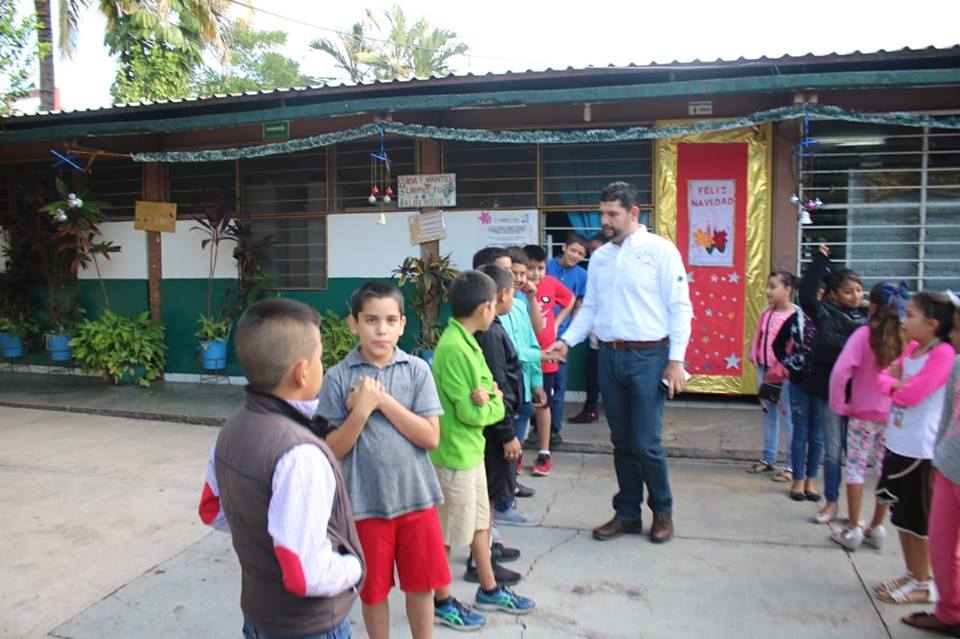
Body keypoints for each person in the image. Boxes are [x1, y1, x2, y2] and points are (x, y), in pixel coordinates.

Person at [197, 298, 364, 639]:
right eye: (320, 357)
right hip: (308, 627)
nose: (323, 364)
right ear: (302, 372)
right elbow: (305, 573)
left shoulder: (233, 426)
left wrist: (262, 538)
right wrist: (355, 566)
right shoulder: (301, 454)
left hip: (258, 615)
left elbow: (211, 510)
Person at [545, 181, 693, 544]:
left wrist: (676, 361)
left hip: (650, 357)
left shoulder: (660, 251)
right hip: (609, 356)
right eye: (602, 213)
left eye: (612, 214)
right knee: (622, 441)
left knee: (647, 442)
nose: (605, 221)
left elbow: (680, 307)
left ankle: (662, 511)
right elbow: (590, 307)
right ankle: (627, 514)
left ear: (633, 213)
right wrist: (565, 342)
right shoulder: (602, 258)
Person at [316, 281, 450, 639]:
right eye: (372, 320)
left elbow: (430, 437)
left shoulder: (417, 370)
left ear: (403, 324)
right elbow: (330, 451)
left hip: (417, 499)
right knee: (373, 590)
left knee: (421, 585)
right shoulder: (337, 378)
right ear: (353, 323)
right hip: (364, 505)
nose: (382, 329)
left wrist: (381, 401)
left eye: (391, 320)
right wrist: (360, 411)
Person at [429, 270, 536, 629]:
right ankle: (441, 600)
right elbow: (474, 412)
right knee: (446, 535)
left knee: (478, 525)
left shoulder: (469, 339)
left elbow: (488, 391)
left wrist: (488, 397)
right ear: (487, 306)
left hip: (470, 451)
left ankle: (489, 589)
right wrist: (492, 402)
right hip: (455, 455)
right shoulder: (456, 348)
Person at [873, 292, 955, 605]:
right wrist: (896, 384)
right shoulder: (912, 349)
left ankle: (924, 582)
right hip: (898, 444)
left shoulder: (943, 355)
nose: (903, 321)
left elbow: (912, 395)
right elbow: (884, 378)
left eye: (910, 315)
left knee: (918, 522)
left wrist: (897, 385)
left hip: (921, 450)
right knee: (901, 517)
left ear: (932, 324)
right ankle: (911, 572)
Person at [828, 282, 910, 551]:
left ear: (872, 305)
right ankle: (877, 526)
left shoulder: (863, 334)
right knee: (885, 470)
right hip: (894, 415)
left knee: (855, 466)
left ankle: (853, 527)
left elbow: (841, 372)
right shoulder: (907, 339)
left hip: (862, 413)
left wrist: (839, 404)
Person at [902, 297, 960, 634]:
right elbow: (947, 417)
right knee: (941, 545)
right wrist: (938, 459)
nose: (953, 335)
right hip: (948, 467)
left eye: (958, 329)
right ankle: (949, 613)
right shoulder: (957, 364)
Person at [474, 263, 537, 528]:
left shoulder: (493, 329)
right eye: (512, 292)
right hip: (498, 423)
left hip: (502, 418)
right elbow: (497, 384)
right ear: (501, 295)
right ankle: (494, 525)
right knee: (494, 479)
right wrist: (507, 433)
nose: (514, 297)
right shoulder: (491, 335)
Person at [523, 244, 575, 476]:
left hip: (546, 356)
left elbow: (571, 299)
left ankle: (544, 452)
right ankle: (517, 452)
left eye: (540, 268)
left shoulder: (552, 284)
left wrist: (557, 322)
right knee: (521, 406)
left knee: (543, 403)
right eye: (530, 268)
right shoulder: (517, 291)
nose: (535, 273)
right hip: (522, 356)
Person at [746, 271, 797, 482]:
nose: (768, 291)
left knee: (789, 419)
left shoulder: (796, 316)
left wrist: (785, 367)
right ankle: (769, 458)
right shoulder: (767, 313)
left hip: (784, 374)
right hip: (765, 370)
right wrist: (756, 357)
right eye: (768, 286)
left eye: (773, 286)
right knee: (769, 414)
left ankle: (792, 466)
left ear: (788, 290)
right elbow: (759, 336)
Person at [772, 287, 823, 502]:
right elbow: (777, 345)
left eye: (822, 292)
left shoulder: (831, 318)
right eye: (814, 292)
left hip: (823, 384)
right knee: (800, 431)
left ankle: (812, 478)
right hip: (800, 382)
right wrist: (790, 364)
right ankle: (798, 479)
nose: (817, 296)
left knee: (818, 435)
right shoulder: (795, 319)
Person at [546, 232, 590, 435]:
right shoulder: (545, 267)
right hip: (540, 335)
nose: (575, 256)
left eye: (580, 254)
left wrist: (570, 334)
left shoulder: (582, 275)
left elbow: (579, 305)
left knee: (559, 384)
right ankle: (537, 428)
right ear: (564, 247)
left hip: (561, 338)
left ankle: (554, 429)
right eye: (573, 250)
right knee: (539, 384)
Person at [570, 233, 609, 424]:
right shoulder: (592, 273)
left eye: (597, 249)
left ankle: (592, 409)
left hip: (609, 341)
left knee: (600, 379)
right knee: (592, 377)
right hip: (595, 339)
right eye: (592, 250)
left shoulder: (610, 273)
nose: (594, 254)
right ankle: (590, 408)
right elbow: (586, 307)